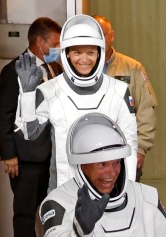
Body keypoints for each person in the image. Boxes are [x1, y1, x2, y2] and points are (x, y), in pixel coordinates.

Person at [15, 14, 137, 193]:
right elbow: (29, 133)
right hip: (64, 187)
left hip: (110, 188)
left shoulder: (118, 91)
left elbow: (130, 144)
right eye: (77, 52)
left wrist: (129, 189)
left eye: (90, 52)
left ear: (100, 53)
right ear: (66, 54)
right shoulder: (50, 90)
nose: (84, 60)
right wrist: (27, 94)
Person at [0, 17, 62, 237]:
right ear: (40, 41)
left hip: (52, 155)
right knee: (25, 213)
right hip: (24, 157)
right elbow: (3, 114)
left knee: (51, 210)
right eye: (54, 43)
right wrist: (8, 153)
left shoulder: (53, 68)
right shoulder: (12, 71)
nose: (58, 48)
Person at [93, 15, 157, 180]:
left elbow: (145, 109)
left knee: (125, 200)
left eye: (103, 34)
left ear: (112, 36)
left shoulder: (132, 68)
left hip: (124, 151)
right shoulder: (80, 69)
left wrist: (141, 149)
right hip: (90, 151)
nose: (99, 40)